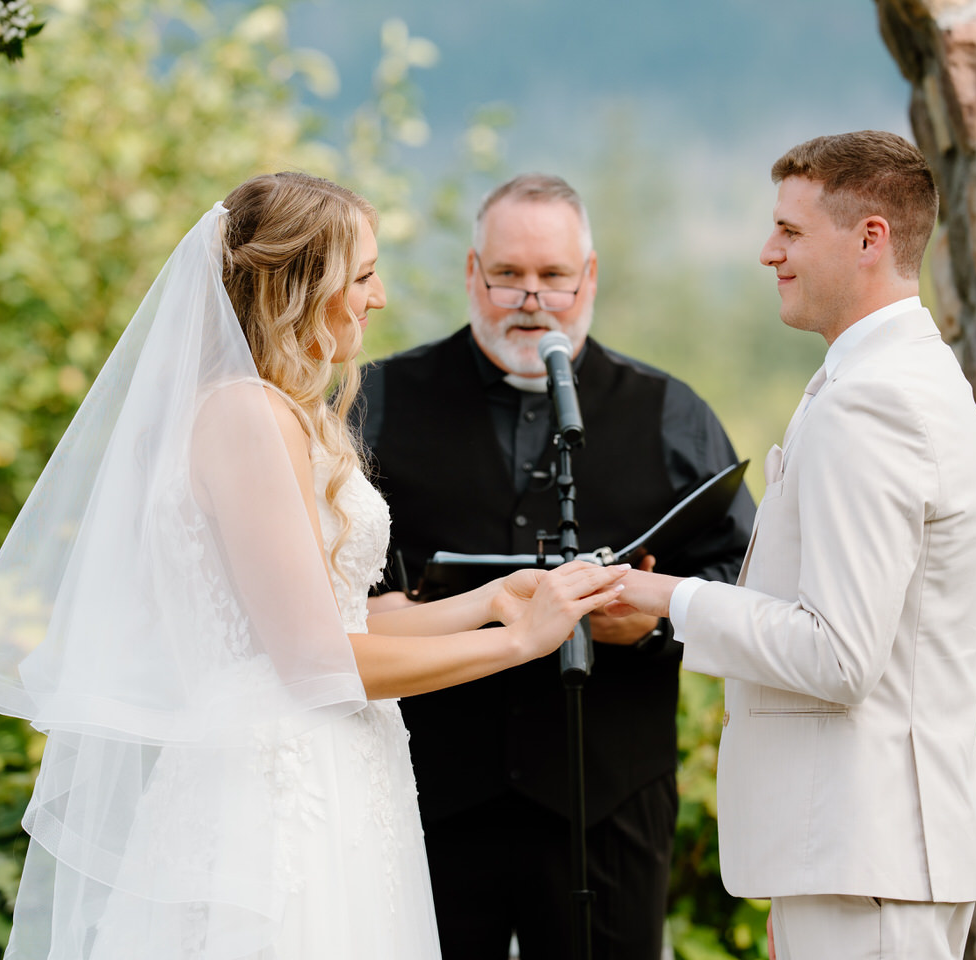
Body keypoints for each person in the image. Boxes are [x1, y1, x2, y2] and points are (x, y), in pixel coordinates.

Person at [0, 172, 630, 960]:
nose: (380, 297)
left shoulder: (279, 412)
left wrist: (495, 599)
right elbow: (313, 660)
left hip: (333, 772)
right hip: (271, 798)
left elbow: (335, 621)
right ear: (301, 287)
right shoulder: (244, 416)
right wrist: (517, 643)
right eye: (362, 276)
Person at [609, 131, 976, 960]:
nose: (766, 252)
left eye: (789, 231)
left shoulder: (875, 401)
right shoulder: (895, 377)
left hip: (869, 859)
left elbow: (839, 655)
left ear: (869, 239)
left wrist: (667, 601)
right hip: (856, 857)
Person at [358, 173, 755, 960]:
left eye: (553, 277)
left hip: (608, 804)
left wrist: (653, 622)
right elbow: (326, 583)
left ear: (590, 278)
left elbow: (742, 577)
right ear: (473, 275)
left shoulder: (670, 411)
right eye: (508, 275)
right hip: (421, 796)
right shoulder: (378, 399)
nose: (530, 298)